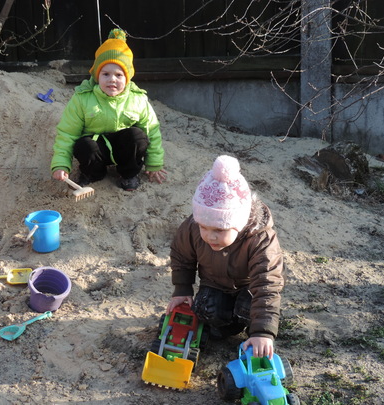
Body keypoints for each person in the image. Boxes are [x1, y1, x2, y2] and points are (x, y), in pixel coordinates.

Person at [166, 155, 284, 359]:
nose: (210, 236)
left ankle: (249, 326)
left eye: (219, 230)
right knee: (206, 310)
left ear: (238, 223)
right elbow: (182, 255)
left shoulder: (260, 240)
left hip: (248, 289)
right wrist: (182, 289)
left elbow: (267, 285)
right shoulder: (193, 229)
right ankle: (224, 324)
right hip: (215, 284)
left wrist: (262, 332)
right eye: (204, 227)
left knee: (246, 310)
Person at [51, 29, 167, 191]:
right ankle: (93, 173)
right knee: (84, 145)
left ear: (127, 78)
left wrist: (154, 162)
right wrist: (61, 164)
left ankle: (128, 174)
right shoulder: (83, 98)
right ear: (97, 76)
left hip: (124, 149)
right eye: (106, 74)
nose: (112, 79)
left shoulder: (137, 99)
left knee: (137, 136)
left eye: (119, 75)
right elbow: (67, 133)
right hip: (97, 150)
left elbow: (152, 130)